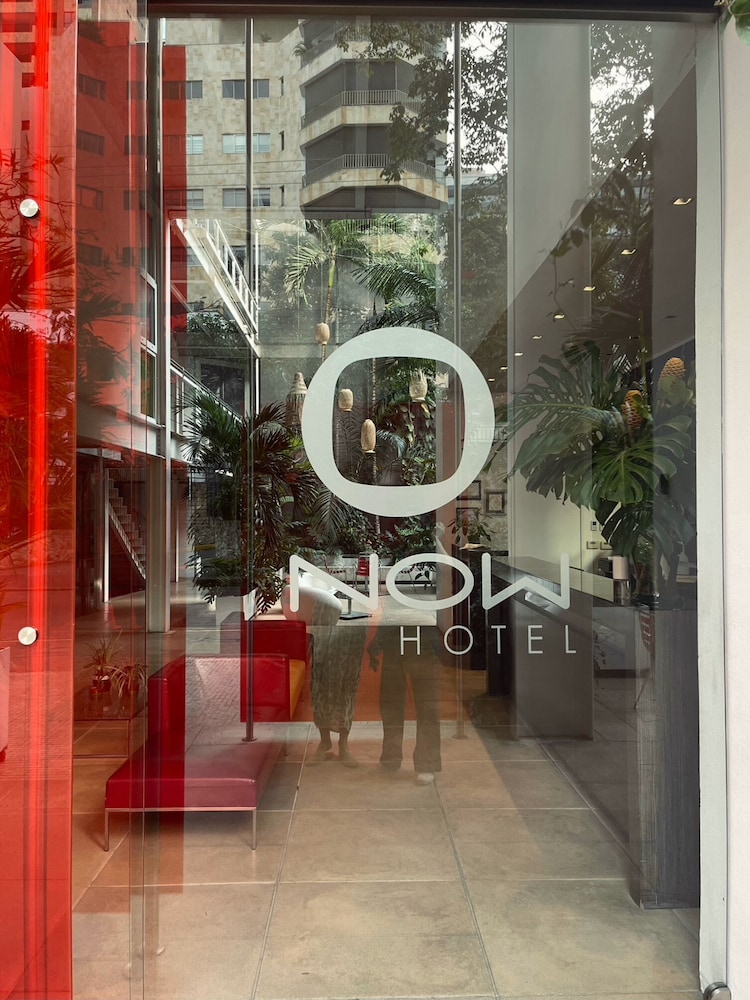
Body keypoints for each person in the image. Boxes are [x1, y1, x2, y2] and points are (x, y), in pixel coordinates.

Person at [367, 622, 442, 783]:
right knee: (392, 703)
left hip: (421, 633)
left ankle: (423, 762)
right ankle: (393, 757)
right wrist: (381, 635)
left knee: (426, 704)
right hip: (399, 634)